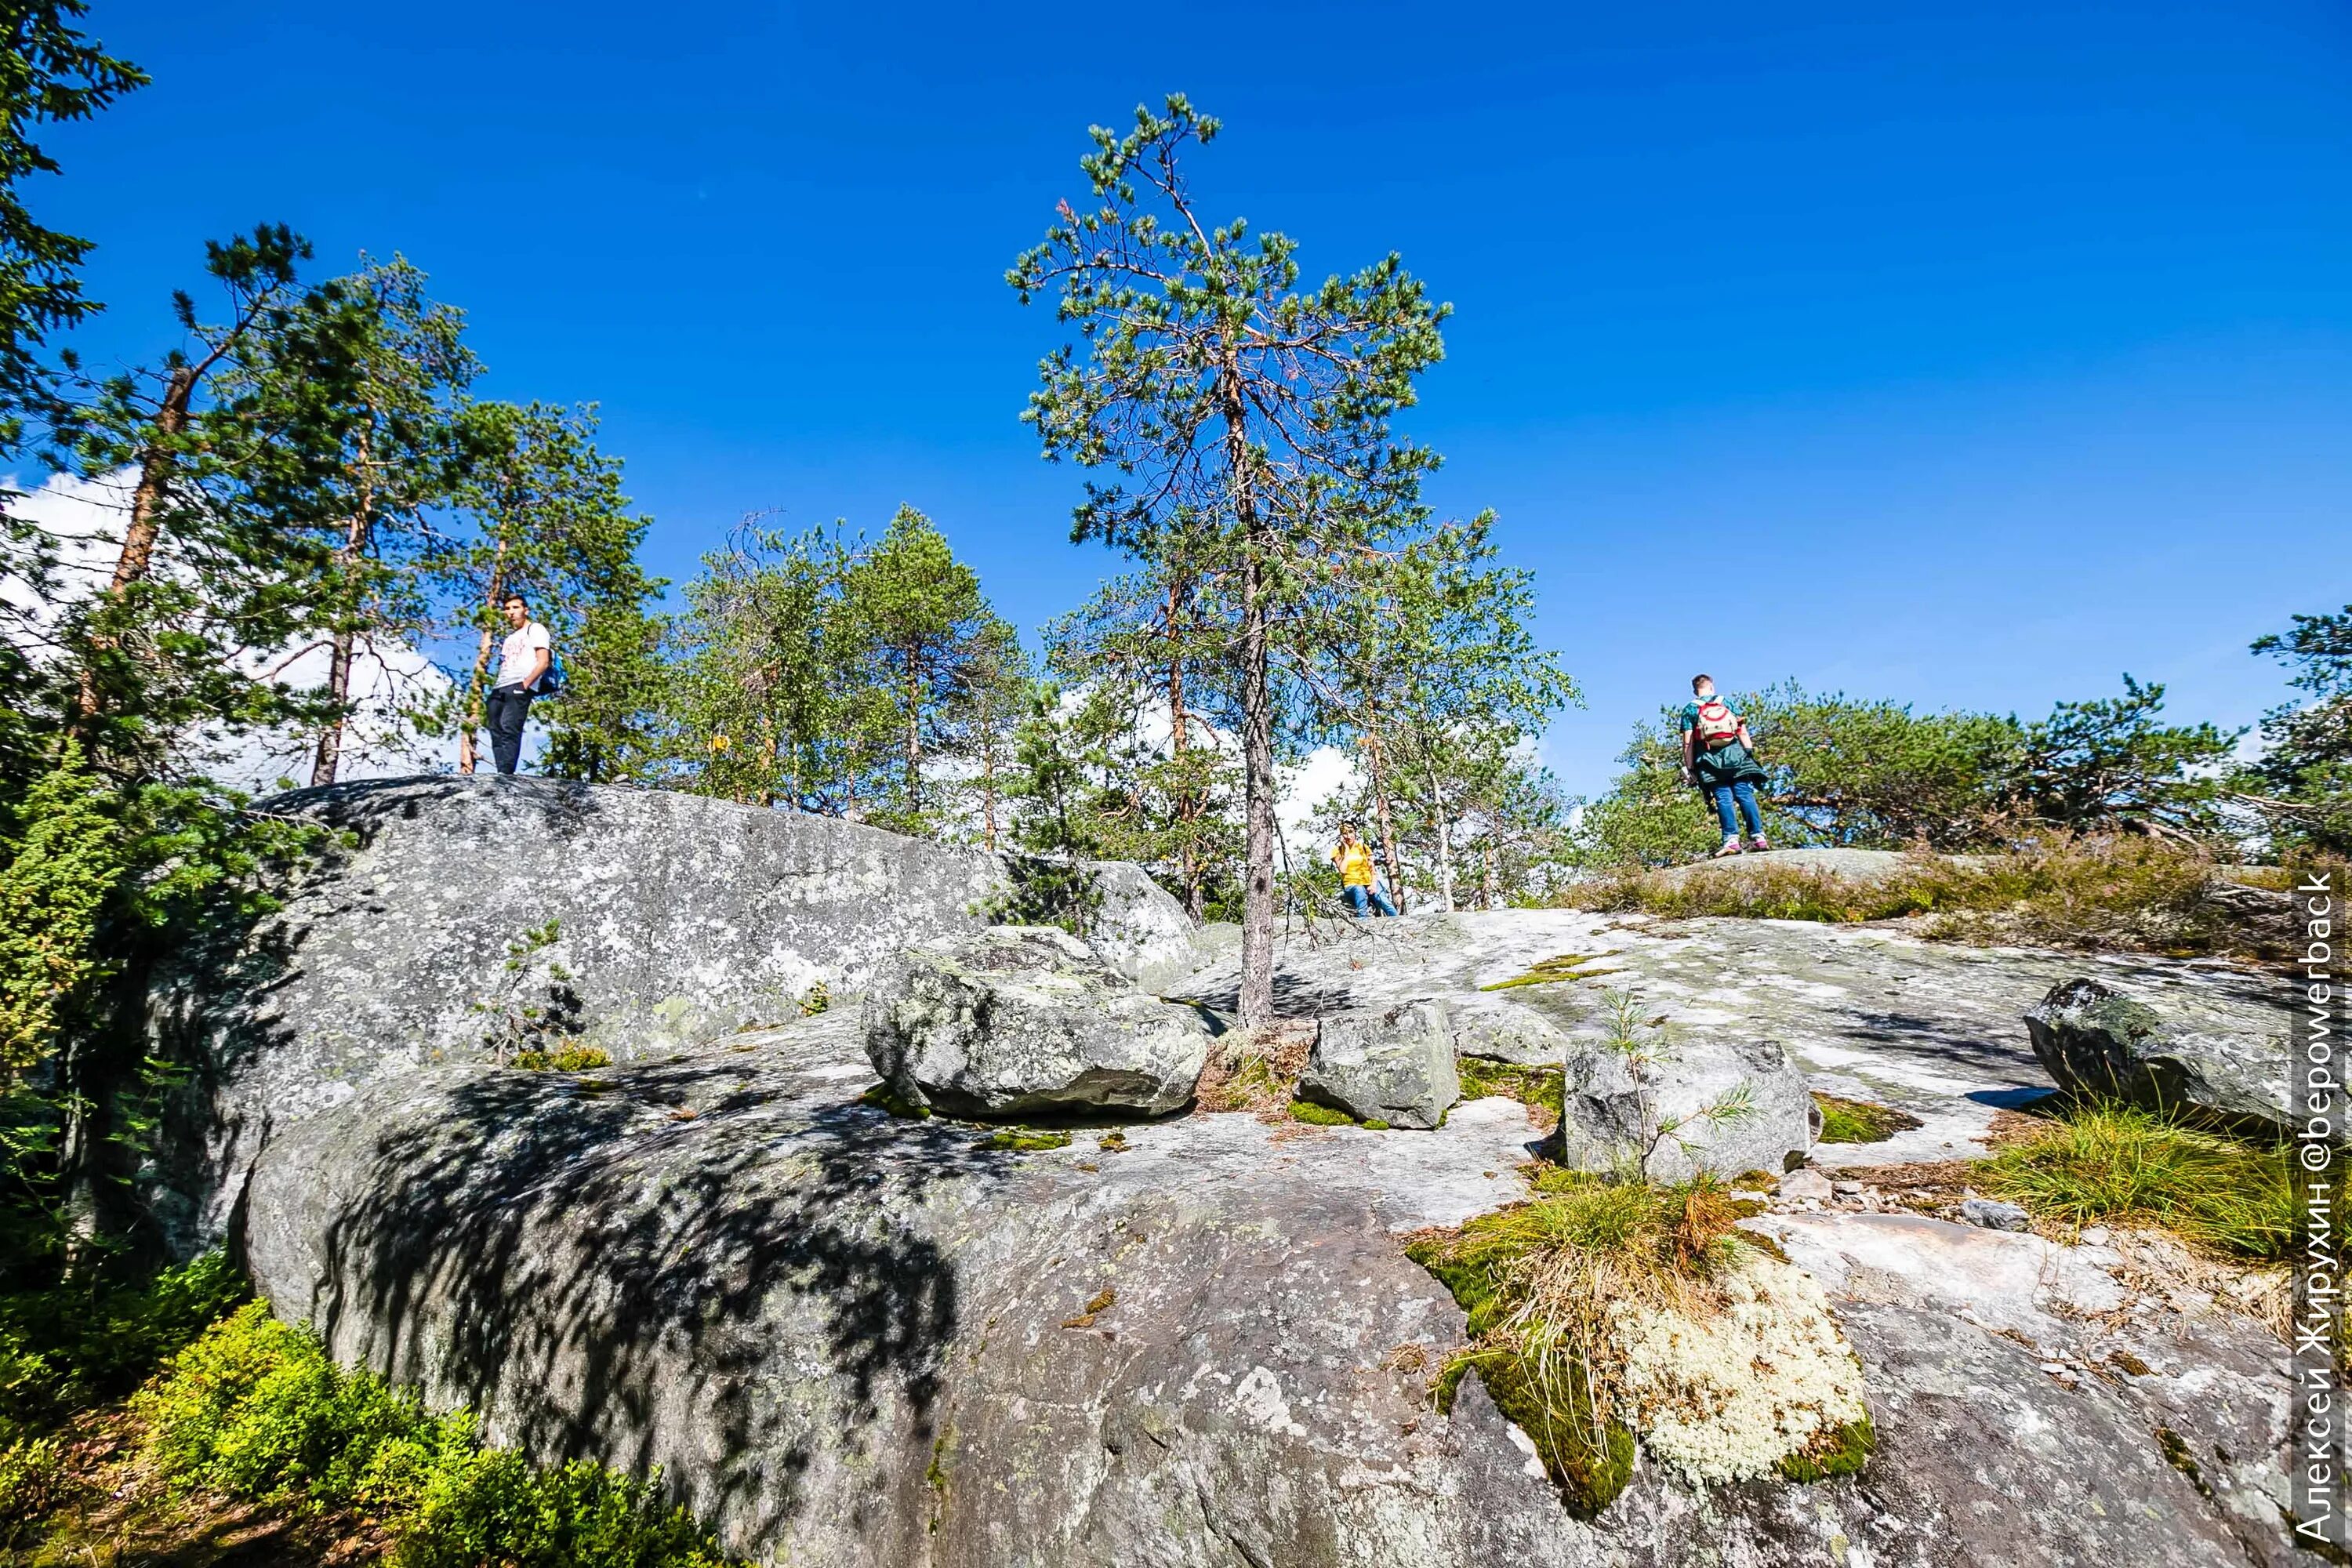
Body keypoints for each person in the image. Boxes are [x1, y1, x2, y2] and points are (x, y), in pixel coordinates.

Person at [1679, 673, 1769, 857]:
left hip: (1708, 759)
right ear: (1711, 686)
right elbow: (1742, 731)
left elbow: (1687, 742)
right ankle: (1759, 838)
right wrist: (1749, 753)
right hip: (1736, 755)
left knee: (1723, 797)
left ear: (1695, 690)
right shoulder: (1726, 702)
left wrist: (1689, 767)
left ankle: (1731, 841)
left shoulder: (1690, 709)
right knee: (1744, 794)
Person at [485, 592, 553, 775]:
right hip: (500, 686)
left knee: (509, 727)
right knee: (495, 728)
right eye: (507, 609)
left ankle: (506, 774)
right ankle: (501, 771)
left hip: (520, 685)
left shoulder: (536, 629)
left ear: (526, 610)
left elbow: (543, 661)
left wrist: (525, 684)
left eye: (515, 608)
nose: (511, 612)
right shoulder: (510, 638)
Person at [1332, 822, 1399, 916]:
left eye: (1351, 832)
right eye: (1345, 833)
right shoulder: (1337, 851)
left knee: (1384, 901)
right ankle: (1362, 924)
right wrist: (1346, 850)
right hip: (1352, 885)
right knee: (1360, 893)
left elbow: (1372, 870)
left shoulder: (1363, 847)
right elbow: (1342, 870)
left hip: (1369, 882)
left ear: (1355, 832)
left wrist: (1373, 885)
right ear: (1341, 836)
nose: (1348, 836)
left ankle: (1399, 923)